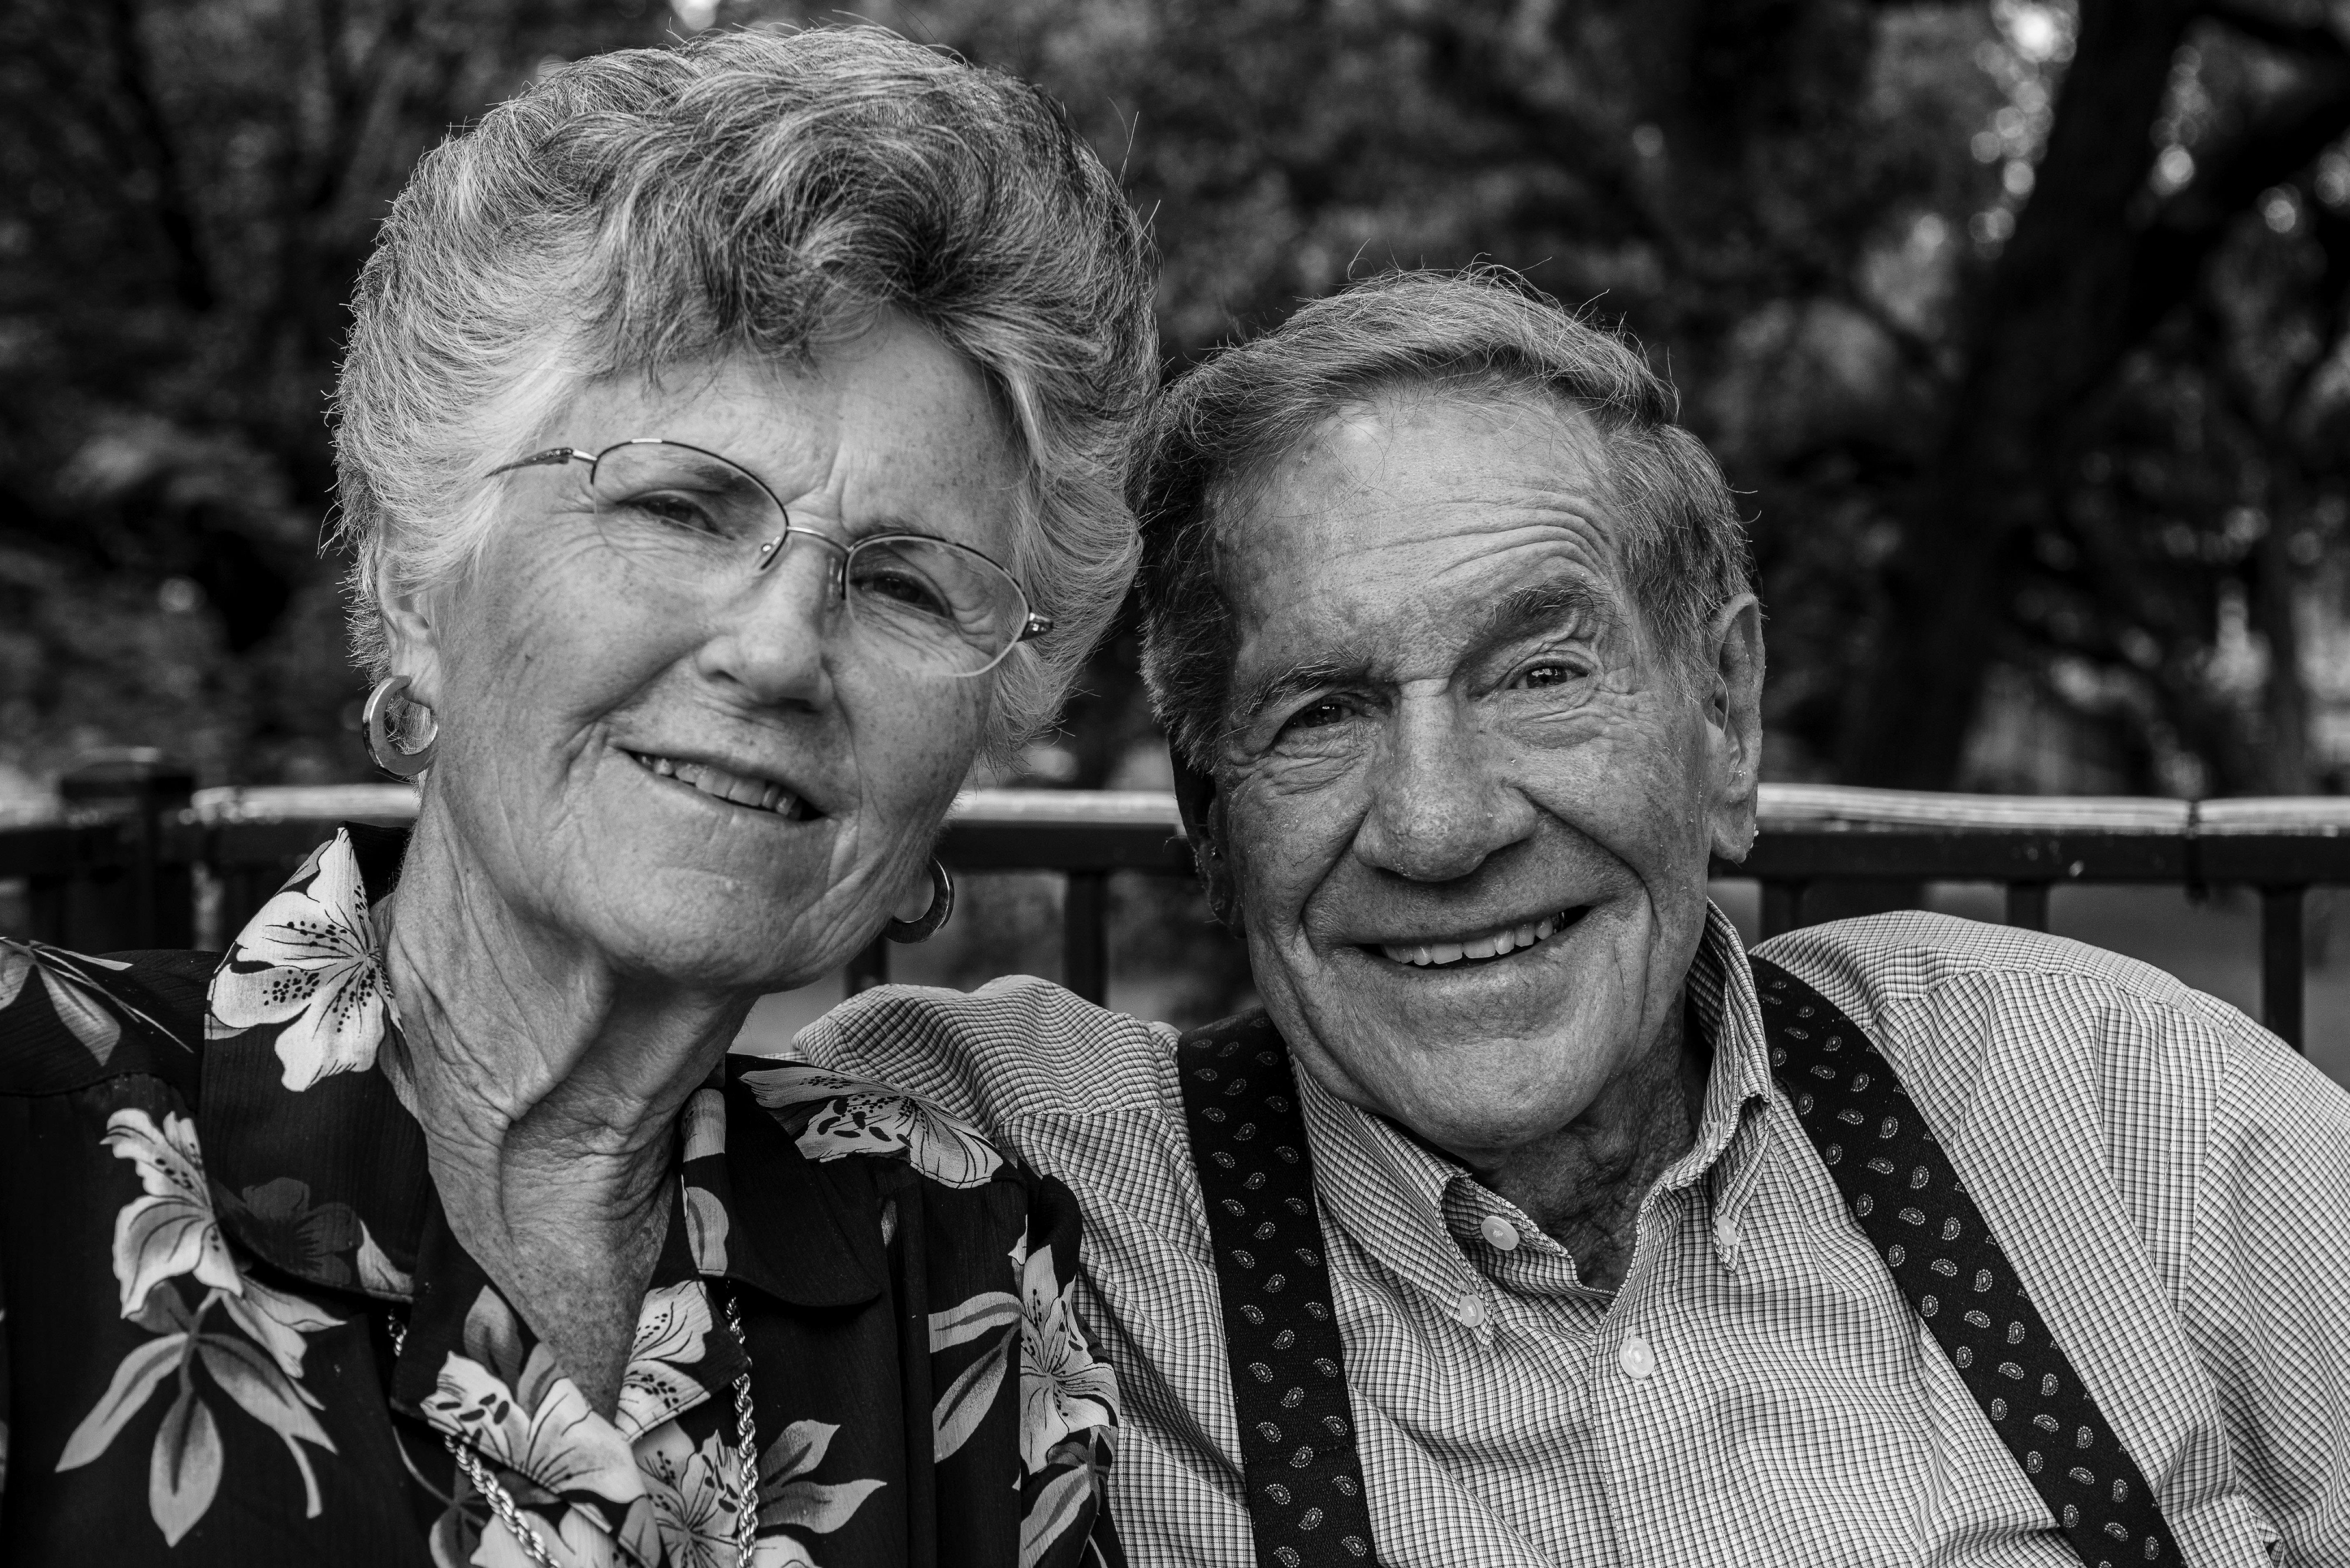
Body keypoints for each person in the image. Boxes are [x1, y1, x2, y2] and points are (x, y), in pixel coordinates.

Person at [798, 269, 2350, 1567]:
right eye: (1320, 714)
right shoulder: (994, 1177)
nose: (1440, 823)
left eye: (1541, 674)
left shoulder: (2118, 1108)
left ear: (1724, 718)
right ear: (1213, 822)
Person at [0, 26, 1155, 1566]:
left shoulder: (953, 1263)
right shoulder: (34, 1126)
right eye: (681, 506)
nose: (777, 648)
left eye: (901, 583)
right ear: (422, 579)